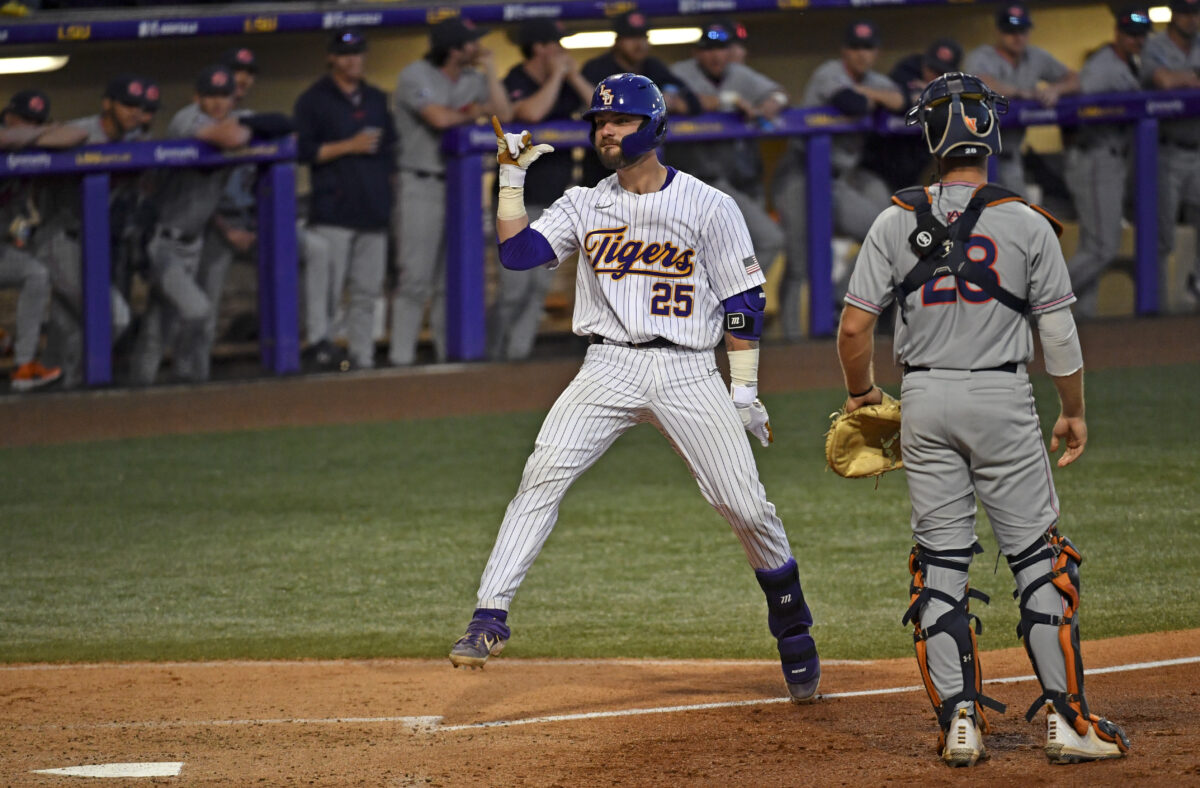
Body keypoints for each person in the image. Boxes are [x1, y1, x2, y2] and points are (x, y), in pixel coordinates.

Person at [448, 74, 821, 705]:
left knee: (746, 509)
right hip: (606, 367)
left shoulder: (709, 205)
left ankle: (793, 628)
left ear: (651, 127)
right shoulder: (584, 202)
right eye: (599, 122)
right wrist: (510, 179)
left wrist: (744, 391)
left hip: (688, 370)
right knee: (542, 475)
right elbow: (517, 255)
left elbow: (743, 301)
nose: (605, 131)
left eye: (617, 121)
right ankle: (489, 616)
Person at [835, 72, 1130, 767]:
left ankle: (960, 725)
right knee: (1038, 560)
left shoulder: (891, 220)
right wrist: (1074, 411)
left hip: (924, 402)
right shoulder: (1028, 223)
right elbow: (1058, 338)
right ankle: (1068, 723)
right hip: (1001, 402)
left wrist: (865, 397)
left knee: (938, 562)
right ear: (991, 139)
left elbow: (853, 331)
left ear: (932, 140)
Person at [390, 17, 512, 366]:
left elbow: (504, 115)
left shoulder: (474, 78)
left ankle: (447, 363)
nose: (479, 47)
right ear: (454, 49)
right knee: (415, 277)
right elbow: (439, 119)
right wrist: (474, 111)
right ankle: (400, 360)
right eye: (473, 43)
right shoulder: (415, 74)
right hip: (420, 183)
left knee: (450, 280)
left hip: (462, 189)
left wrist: (490, 69)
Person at [771, 20, 904, 340]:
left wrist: (868, 92)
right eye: (856, 48)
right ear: (845, 50)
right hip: (800, 173)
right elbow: (853, 104)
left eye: (868, 48)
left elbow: (901, 102)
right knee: (800, 261)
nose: (862, 55)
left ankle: (836, 299)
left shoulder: (874, 79)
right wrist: (870, 97)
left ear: (876, 51)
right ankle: (791, 342)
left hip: (839, 180)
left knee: (884, 234)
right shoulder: (828, 73)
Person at [130, 65, 252, 385]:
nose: (217, 103)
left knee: (160, 325)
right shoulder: (187, 119)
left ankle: (141, 390)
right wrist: (251, 125)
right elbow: (234, 136)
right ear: (196, 96)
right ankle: (187, 383)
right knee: (198, 311)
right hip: (161, 240)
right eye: (210, 95)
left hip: (194, 241)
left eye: (224, 96)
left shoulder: (227, 118)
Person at [487, 18, 592, 361]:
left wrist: (573, 76)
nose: (562, 51)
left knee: (538, 289)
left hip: (553, 201)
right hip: (517, 200)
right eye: (555, 44)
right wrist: (559, 76)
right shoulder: (516, 79)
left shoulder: (564, 83)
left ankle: (518, 357)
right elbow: (529, 113)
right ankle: (491, 357)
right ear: (539, 47)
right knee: (514, 289)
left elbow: (600, 109)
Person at [294, 29, 397, 371]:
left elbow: (390, 148)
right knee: (327, 293)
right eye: (345, 54)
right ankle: (321, 355)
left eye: (358, 53)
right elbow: (303, 151)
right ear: (332, 59)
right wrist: (348, 146)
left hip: (373, 210)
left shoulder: (376, 98)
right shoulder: (313, 100)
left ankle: (362, 359)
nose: (353, 60)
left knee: (367, 294)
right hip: (333, 212)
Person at [38, 74, 144, 389]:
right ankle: (79, 386)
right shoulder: (82, 130)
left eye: (137, 106)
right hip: (59, 238)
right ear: (107, 104)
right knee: (115, 316)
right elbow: (44, 143)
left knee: (65, 328)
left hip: (87, 243)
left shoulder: (131, 142)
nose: (133, 112)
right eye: (126, 104)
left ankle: (54, 400)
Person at [669, 20, 786, 278]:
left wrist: (772, 103)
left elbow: (779, 93)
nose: (715, 55)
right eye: (708, 49)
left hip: (724, 184)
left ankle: (732, 289)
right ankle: (726, 294)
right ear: (696, 53)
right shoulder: (680, 72)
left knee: (764, 242)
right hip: (684, 183)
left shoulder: (738, 74)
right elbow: (668, 100)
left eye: (721, 48)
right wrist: (727, 101)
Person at [1065, 8, 1151, 317]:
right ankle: (1041, 302)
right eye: (1131, 34)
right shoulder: (1103, 66)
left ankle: (1083, 316)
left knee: (1092, 246)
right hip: (1094, 156)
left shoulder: (1130, 63)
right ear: (1118, 34)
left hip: (1108, 159)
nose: (1137, 40)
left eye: (1141, 35)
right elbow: (1077, 102)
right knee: (1103, 248)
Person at [0, 89, 83, 391]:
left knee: (36, 273)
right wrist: (42, 133)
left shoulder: (31, 141)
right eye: (25, 120)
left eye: (38, 121)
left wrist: (37, 132)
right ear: (8, 117)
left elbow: (75, 136)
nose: (31, 126)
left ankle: (24, 366)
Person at [964, 2, 1079, 195]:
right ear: (998, 31)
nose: (1018, 37)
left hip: (1011, 158)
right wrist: (1019, 92)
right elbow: (980, 83)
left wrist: (1057, 89)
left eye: (1022, 31)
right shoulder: (982, 56)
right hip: (975, 161)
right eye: (1011, 31)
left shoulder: (1035, 56)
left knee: (1016, 219)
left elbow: (1076, 79)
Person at [193, 47, 260, 376]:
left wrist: (257, 225)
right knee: (205, 307)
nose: (243, 79)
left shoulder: (254, 117)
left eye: (248, 73)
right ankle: (196, 377)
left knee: (307, 254)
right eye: (237, 72)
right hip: (211, 225)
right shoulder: (198, 121)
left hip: (249, 221)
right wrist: (228, 230)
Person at [579, 10, 700, 187]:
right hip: (602, 168)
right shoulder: (597, 68)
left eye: (643, 37)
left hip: (646, 165)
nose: (639, 44)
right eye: (631, 37)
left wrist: (670, 101)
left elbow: (692, 103)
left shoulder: (653, 67)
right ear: (617, 41)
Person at [1142, 0, 1200, 304]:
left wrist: (1186, 80)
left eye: (1196, 14)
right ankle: (1155, 307)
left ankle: (1196, 288)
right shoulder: (1155, 46)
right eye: (1186, 14)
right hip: (1165, 151)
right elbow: (1163, 80)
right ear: (1174, 16)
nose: (1192, 20)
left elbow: (1176, 80)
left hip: (1197, 150)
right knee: (1162, 236)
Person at [861, 37, 963, 192]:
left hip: (914, 163)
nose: (933, 75)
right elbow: (905, 100)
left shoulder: (956, 82)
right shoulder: (908, 68)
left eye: (941, 73)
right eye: (931, 68)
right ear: (924, 62)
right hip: (882, 156)